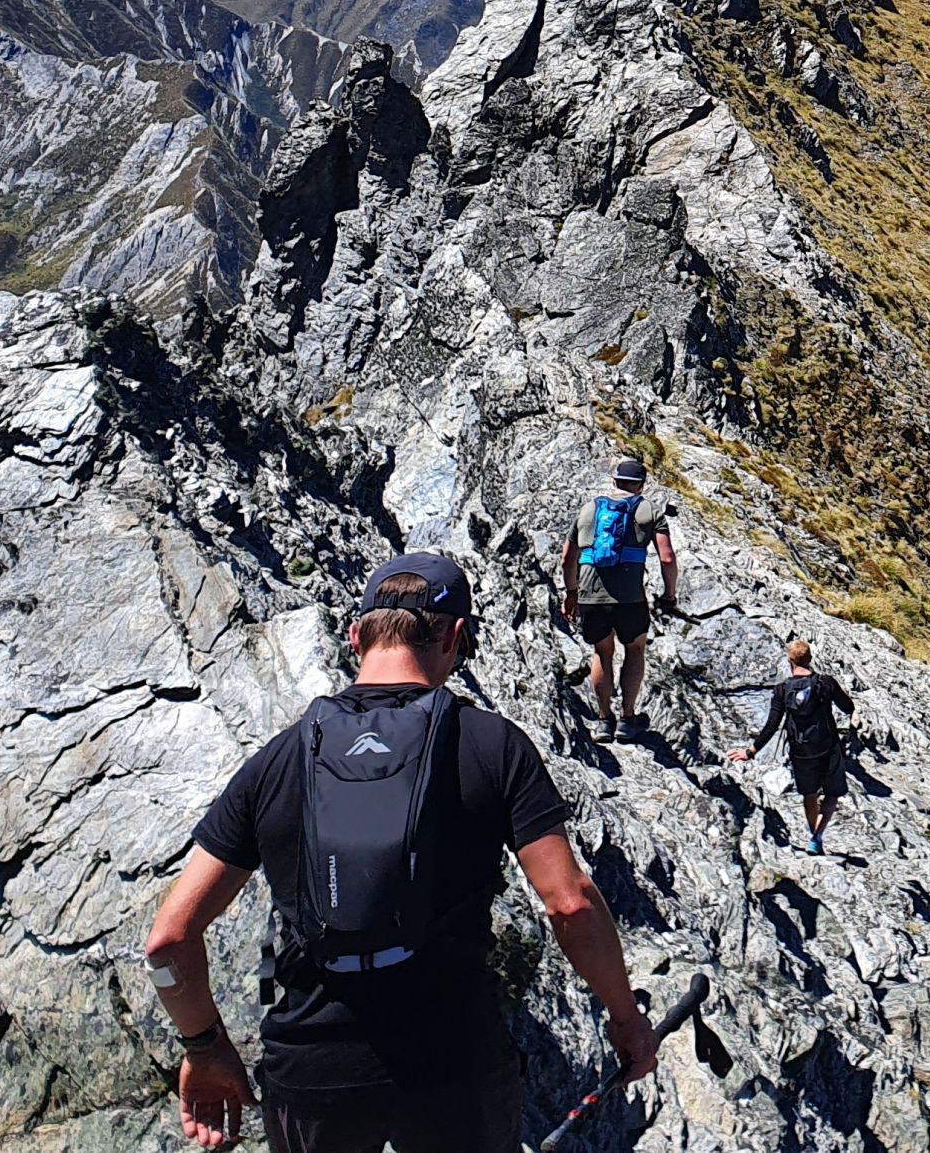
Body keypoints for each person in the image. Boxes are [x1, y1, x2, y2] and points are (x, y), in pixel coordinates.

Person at [143, 554, 657, 1153]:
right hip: (455, 1067)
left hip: (313, 1075)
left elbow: (169, 939)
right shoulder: (494, 747)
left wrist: (205, 1049)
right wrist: (625, 1018)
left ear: (356, 635)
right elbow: (569, 904)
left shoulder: (278, 762)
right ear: (457, 637)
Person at [560, 455, 678, 742]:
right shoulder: (649, 510)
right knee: (635, 650)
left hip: (590, 594)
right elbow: (667, 557)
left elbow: (567, 559)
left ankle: (603, 720)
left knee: (602, 652)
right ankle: (627, 717)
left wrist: (571, 593)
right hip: (630, 598)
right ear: (641, 486)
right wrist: (669, 594)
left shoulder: (589, 509)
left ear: (614, 481)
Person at [725, 638, 856, 854]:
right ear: (810, 659)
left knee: (809, 794)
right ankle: (817, 835)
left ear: (789, 661)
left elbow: (772, 725)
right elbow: (848, 707)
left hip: (800, 752)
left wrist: (750, 751)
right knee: (832, 793)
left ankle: (814, 834)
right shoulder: (825, 682)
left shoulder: (782, 689)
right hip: (828, 747)